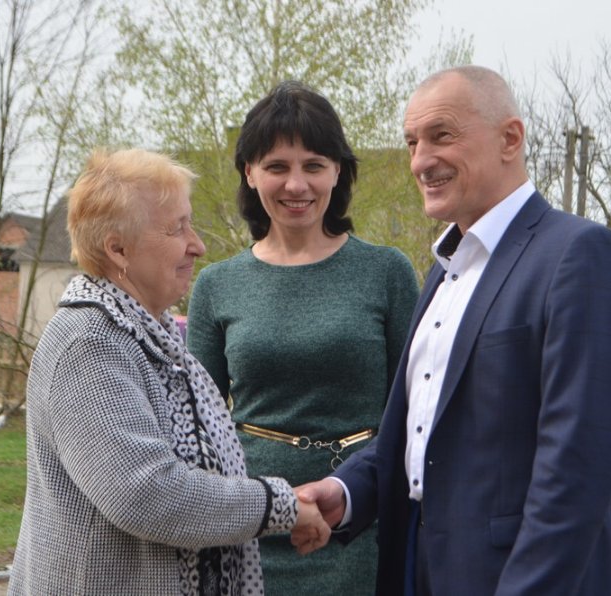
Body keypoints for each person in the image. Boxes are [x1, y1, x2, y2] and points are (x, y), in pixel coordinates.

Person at [296, 65, 611, 595]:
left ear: (510, 139)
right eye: (412, 142)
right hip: (415, 567)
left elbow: (577, 472)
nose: (420, 160)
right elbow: (422, 437)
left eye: (441, 135)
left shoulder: (581, 255)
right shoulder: (443, 271)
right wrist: (347, 492)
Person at [8, 148, 329, 595]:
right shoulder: (89, 343)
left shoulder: (147, 334)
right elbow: (146, 494)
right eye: (177, 228)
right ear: (118, 249)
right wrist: (280, 504)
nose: (197, 244)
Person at [187, 81, 419, 594]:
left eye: (314, 165)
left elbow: (413, 412)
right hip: (250, 525)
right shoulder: (216, 285)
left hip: (359, 524)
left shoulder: (387, 273)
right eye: (277, 166)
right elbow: (197, 425)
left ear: (338, 171)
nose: (296, 184)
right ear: (249, 172)